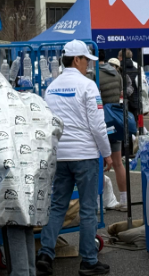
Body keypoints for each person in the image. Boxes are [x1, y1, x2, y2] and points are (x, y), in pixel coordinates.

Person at [37, 40, 112, 276]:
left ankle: (45, 255)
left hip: (59, 154)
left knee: (58, 205)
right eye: (86, 59)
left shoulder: (51, 87)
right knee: (88, 209)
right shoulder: (88, 86)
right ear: (76, 59)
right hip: (85, 154)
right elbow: (98, 126)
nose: (88, 64)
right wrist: (107, 153)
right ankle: (88, 260)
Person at [98, 54, 126, 210]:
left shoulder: (93, 73)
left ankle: (99, 201)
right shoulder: (117, 73)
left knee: (99, 162)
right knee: (118, 162)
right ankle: (124, 199)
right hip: (115, 120)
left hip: (101, 120)